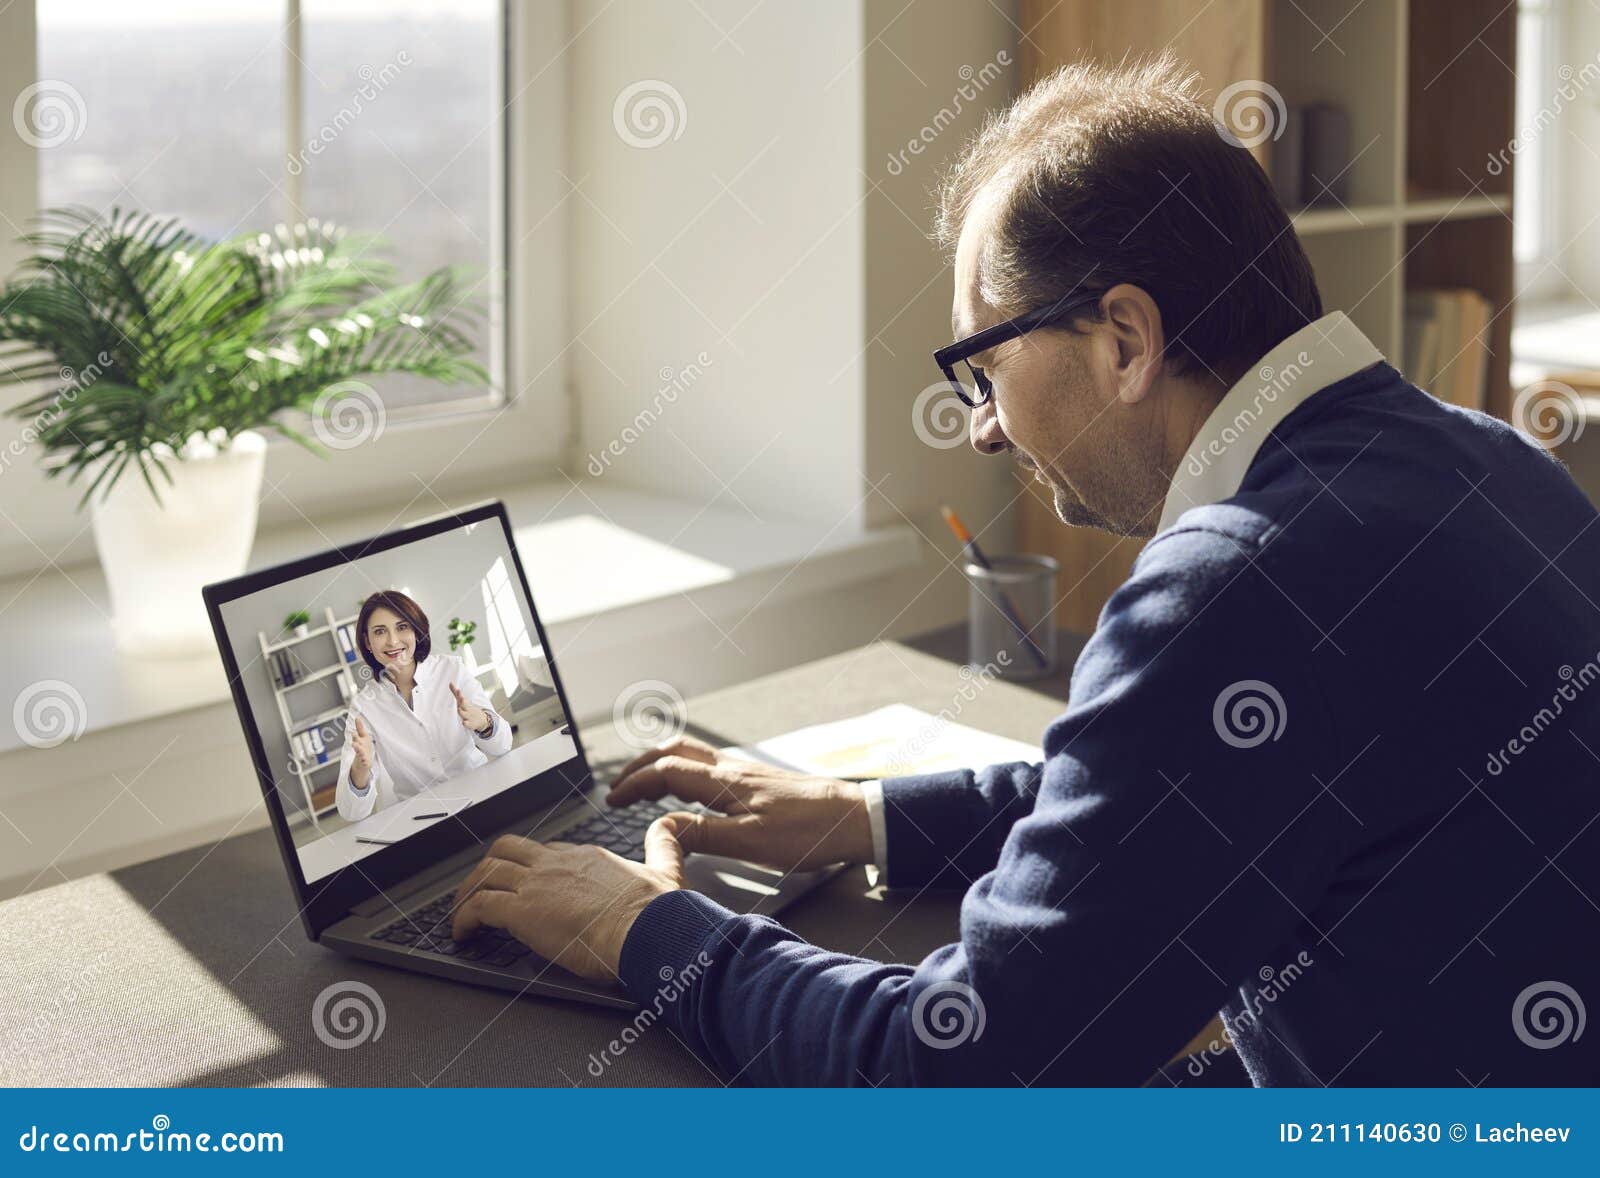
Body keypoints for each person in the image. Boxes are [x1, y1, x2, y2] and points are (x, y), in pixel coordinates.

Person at [450, 56, 1600, 1084]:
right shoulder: (1481, 458)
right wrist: (868, 819)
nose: (982, 428)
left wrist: (648, 930)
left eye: (983, 366)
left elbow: (952, 1070)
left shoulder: (1239, 581)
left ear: (1125, 341)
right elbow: (1179, 796)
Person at [334, 590, 511, 822]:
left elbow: (503, 746)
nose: (393, 641)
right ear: (367, 642)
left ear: (416, 631)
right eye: (379, 632)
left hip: (481, 796)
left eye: (402, 627)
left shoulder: (452, 670)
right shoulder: (363, 708)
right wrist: (360, 768)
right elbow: (351, 813)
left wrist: (484, 722)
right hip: (422, 819)